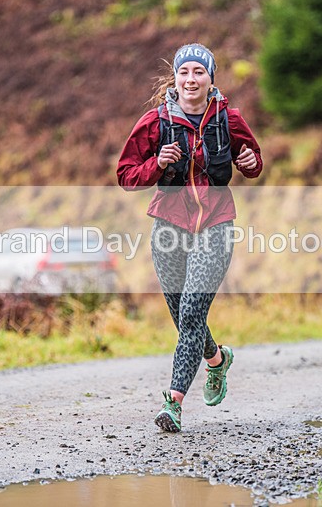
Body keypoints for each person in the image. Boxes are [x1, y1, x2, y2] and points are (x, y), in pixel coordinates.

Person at [117, 43, 263, 432]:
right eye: (185, 72)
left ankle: (174, 402)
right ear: (176, 79)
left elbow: (252, 160)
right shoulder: (155, 122)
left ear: (211, 78)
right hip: (168, 225)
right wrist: (156, 163)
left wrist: (250, 163)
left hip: (216, 222)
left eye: (199, 72)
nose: (191, 79)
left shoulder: (228, 120)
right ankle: (216, 359)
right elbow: (125, 175)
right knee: (182, 316)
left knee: (193, 310)